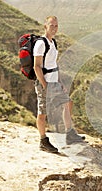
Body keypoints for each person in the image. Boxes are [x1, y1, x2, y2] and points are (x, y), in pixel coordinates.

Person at [33, 16, 85, 153]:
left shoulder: (53, 42)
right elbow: (37, 66)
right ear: (45, 26)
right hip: (44, 83)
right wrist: (45, 85)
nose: (54, 28)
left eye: (56, 26)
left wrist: (60, 82)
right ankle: (43, 141)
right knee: (43, 112)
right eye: (52, 26)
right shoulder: (40, 43)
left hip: (54, 81)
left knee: (68, 103)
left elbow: (53, 65)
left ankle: (70, 135)